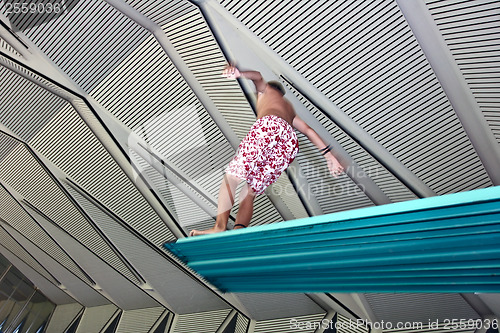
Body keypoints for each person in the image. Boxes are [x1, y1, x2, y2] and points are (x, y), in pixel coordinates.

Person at [189, 65, 343, 236]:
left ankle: (219, 226)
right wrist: (329, 155)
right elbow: (308, 131)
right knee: (250, 191)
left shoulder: (266, 92)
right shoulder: (290, 110)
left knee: (232, 177)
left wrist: (240, 73)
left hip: (269, 127)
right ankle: (239, 231)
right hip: (289, 144)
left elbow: (258, 76)